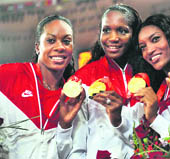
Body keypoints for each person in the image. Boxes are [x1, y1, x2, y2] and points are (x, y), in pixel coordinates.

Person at [56, 4, 142, 159]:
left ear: (134, 35)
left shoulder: (149, 74)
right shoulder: (82, 79)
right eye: (106, 30)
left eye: (122, 31)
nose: (112, 38)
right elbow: (76, 148)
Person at [0, 15, 85, 159]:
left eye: (66, 41)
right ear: (38, 47)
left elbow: (70, 154)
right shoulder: (9, 75)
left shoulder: (74, 99)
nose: (59, 47)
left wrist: (65, 125)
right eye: (51, 40)